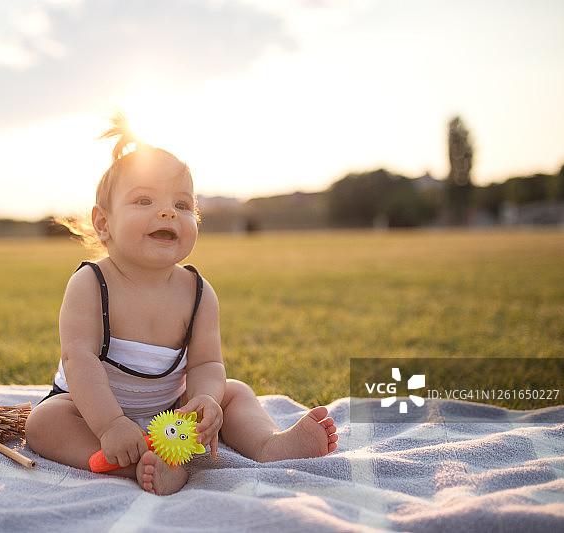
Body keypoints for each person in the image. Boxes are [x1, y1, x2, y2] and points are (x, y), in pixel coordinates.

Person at [25, 114, 338, 495]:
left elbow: (207, 363)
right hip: (92, 412)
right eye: (144, 200)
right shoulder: (91, 283)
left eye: (183, 204)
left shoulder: (198, 291)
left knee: (233, 392)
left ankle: (269, 444)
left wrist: (205, 399)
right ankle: (136, 465)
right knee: (44, 421)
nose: (168, 212)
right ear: (103, 223)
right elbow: (80, 359)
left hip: (171, 413)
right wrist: (110, 424)